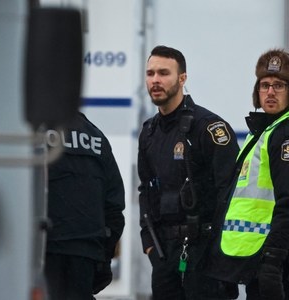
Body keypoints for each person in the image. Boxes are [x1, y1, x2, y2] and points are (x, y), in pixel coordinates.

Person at [206, 49, 289, 300]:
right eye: (264, 85)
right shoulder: (265, 132)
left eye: (279, 85)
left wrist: (273, 260)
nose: (270, 92)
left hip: (279, 264)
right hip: (259, 260)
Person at [137, 45, 240, 300]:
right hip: (163, 255)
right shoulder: (149, 132)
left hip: (205, 255)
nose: (155, 80)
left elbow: (231, 193)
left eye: (163, 73)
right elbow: (145, 190)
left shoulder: (208, 128)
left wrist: (218, 252)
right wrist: (148, 243)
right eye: (150, 74)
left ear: (182, 78)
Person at [44, 112, 126, 300]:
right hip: (86, 256)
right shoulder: (97, 137)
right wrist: (102, 257)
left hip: (45, 251)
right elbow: (114, 209)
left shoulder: (33, 133)